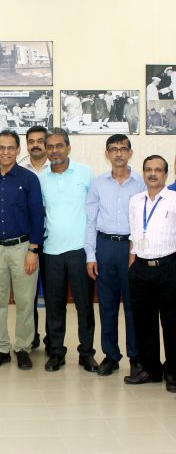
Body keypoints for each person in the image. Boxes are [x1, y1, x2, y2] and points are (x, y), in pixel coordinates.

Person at [0, 130, 44, 370]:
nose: (6, 152)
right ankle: (1, 348)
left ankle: (23, 348)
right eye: (1, 147)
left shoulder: (29, 179)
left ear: (19, 150)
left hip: (23, 248)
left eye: (11, 147)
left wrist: (34, 249)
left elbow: (38, 215)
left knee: (26, 301)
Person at [85, 134, 145, 377]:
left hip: (131, 248)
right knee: (107, 305)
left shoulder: (141, 184)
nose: (119, 153)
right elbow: (90, 221)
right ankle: (111, 355)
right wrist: (91, 254)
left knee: (133, 306)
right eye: (114, 149)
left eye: (123, 149)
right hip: (105, 246)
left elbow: (144, 222)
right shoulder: (98, 184)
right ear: (107, 153)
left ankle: (136, 356)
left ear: (130, 152)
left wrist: (137, 250)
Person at [37, 128, 97, 372]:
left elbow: (95, 212)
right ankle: (56, 352)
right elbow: (39, 213)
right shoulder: (40, 178)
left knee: (84, 305)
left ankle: (86, 354)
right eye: (50, 147)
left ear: (68, 148)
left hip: (80, 251)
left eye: (59, 146)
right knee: (54, 304)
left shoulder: (86, 173)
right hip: (51, 251)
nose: (54, 151)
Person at [124, 155, 176, 393]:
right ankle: (151, 369)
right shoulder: (135, 200)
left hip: (168, 268)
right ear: (143, 173)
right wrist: (133, 261)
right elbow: (135, 233)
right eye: (148, 170)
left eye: (158, 170)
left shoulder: (174, 200)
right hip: (141, 268)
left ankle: (173, 372)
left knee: (172, 323)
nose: (153, 174)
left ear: (166, 174)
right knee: (143, 322)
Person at [22, 125, 50, 352]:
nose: (35, 145)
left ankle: (53, 339)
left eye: (40, 140)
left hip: (53, 241)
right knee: (27, 295)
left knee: (53, 294)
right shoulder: (18, 168)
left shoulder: (58, 168)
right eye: (31, 141)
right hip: (27, 241)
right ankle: (31, 337)